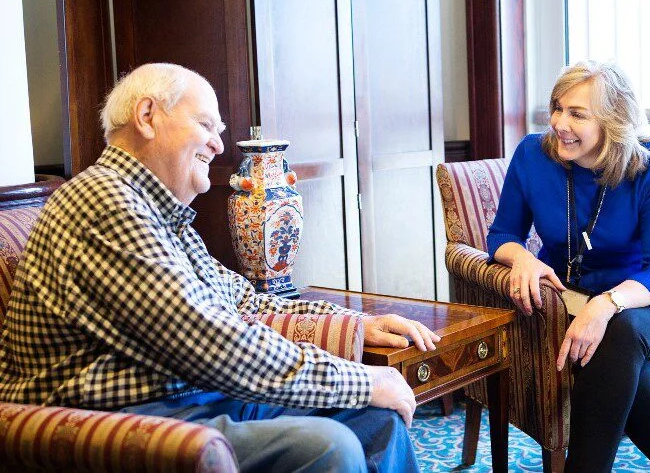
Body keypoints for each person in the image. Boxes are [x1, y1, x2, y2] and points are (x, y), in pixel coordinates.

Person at [0, 63, 441, 472]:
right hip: (114, 423)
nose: (219, 143)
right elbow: (212, 341)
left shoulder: (161, 215)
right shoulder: (104, 201)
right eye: (206, 125)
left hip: (189, 397)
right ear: (148, 115)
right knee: (330, 445)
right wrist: (360, 380)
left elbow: (245, 301)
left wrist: (358, 324)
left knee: (377, 421)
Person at [486, 60, 650, 472]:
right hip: (572, 297)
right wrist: (522, 259)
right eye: (557, 108)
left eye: (577, 114)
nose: (560, 123)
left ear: (613, 121)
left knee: (617, 333)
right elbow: (501, 235)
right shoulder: (533, 156)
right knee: (627, 369)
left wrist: (605, 305)